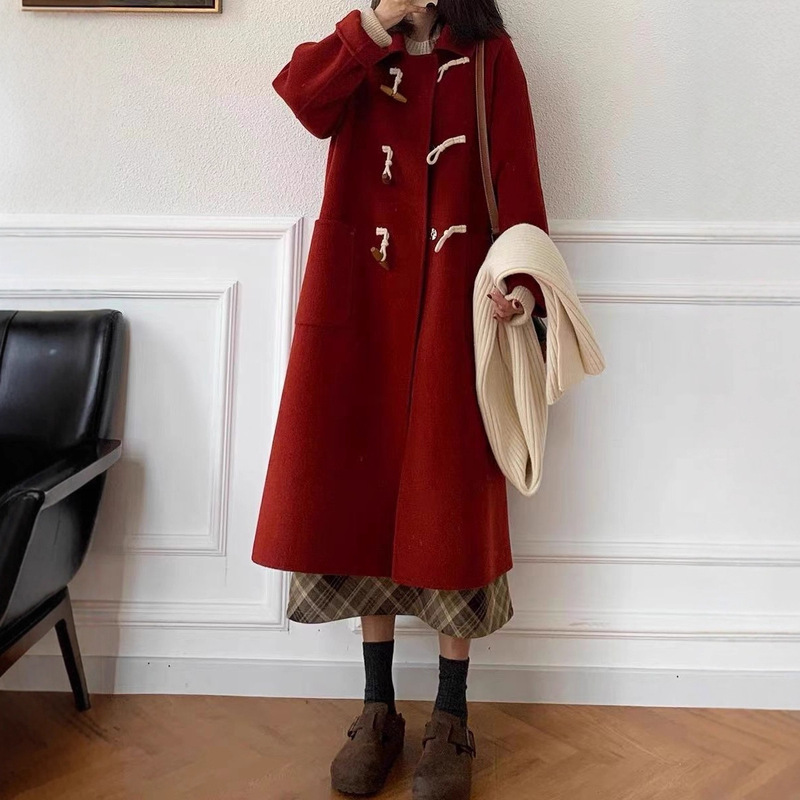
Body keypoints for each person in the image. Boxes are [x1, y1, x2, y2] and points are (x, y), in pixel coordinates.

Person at [253, 1, 549, 797]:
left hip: (457, 313)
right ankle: (376, 708)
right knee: (357, 504)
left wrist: (522, 286)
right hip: (358, 315)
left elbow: (519, 183)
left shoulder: (490, 58)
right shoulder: (361, 50)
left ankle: (451, 717)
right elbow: (302, 97)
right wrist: (374, 25)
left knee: (449, 511)